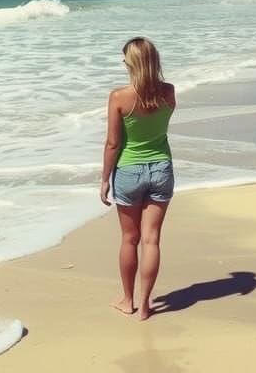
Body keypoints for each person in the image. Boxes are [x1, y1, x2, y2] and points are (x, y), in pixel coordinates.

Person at [100, 37, 176, 321]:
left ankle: (128, 300)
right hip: (161, 169)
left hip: (129, 171)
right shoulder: (168, 92)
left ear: (130, 63)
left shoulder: (119, 97)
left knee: (129, 240)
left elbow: (112, 144)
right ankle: (145, 305)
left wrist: (105, 179)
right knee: (152, 240)